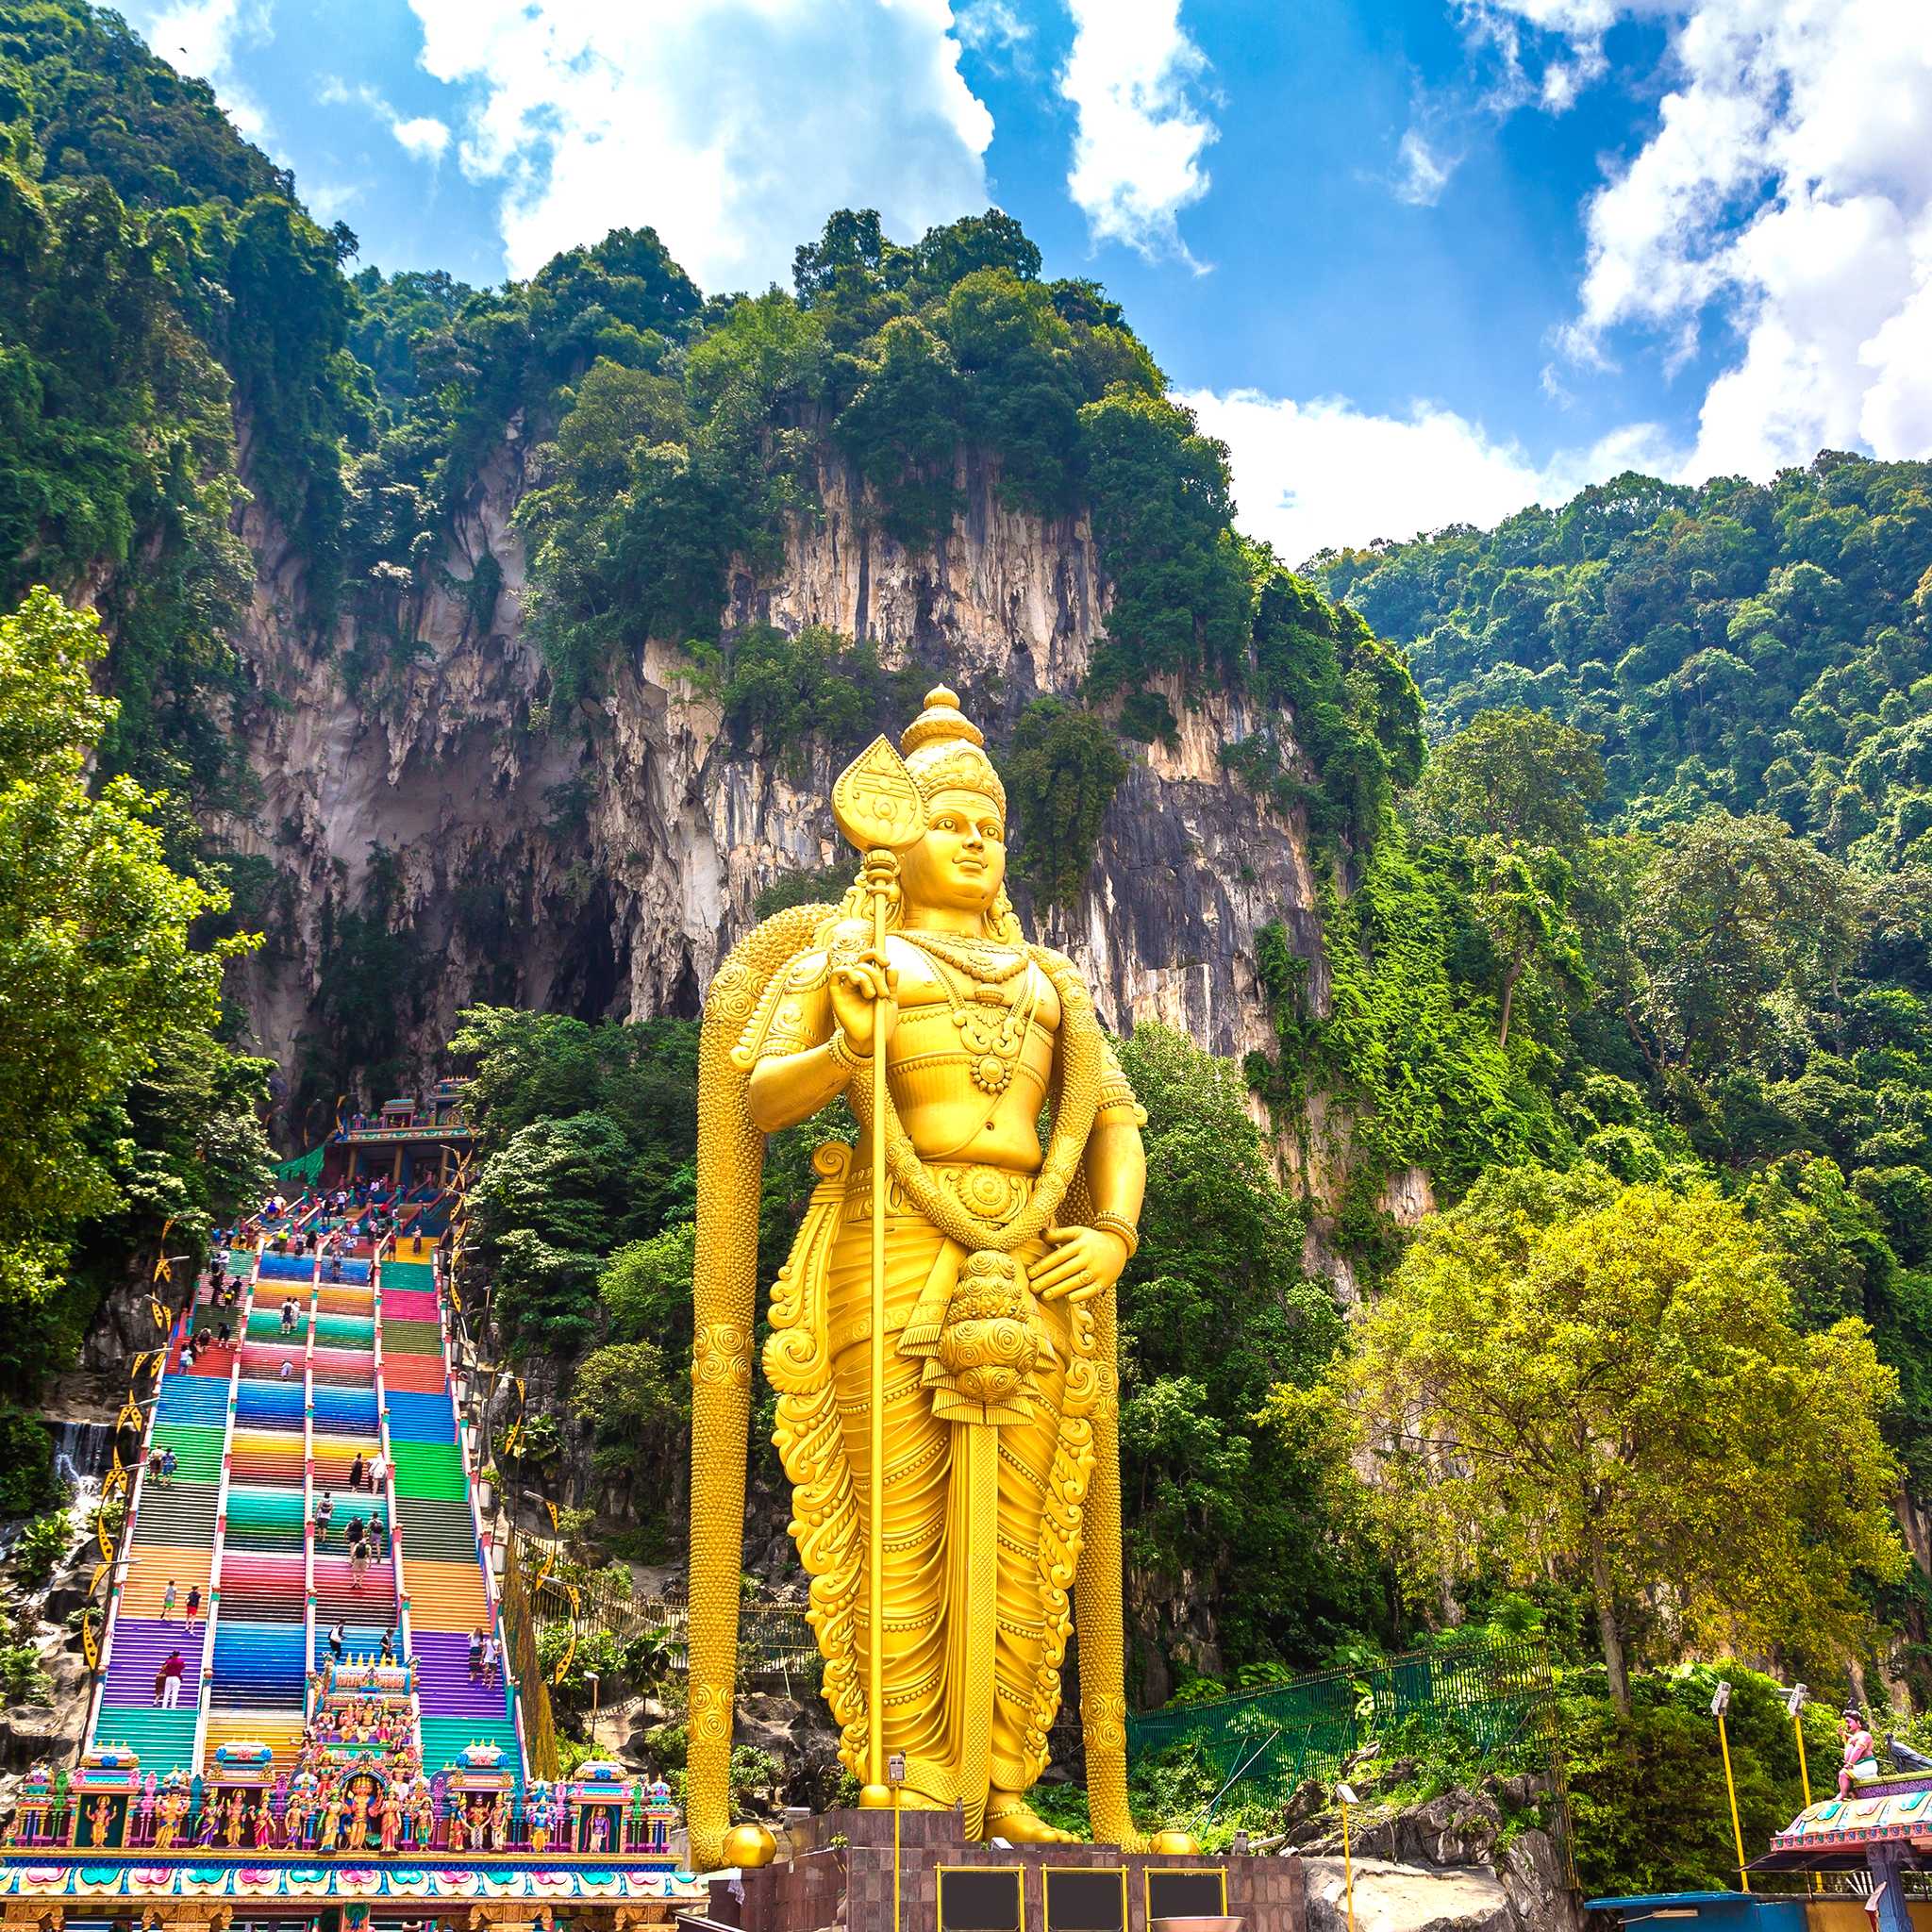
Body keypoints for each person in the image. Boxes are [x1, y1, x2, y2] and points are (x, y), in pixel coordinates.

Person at [1840, 1707, 1879, 1796]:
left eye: (1848, 1722)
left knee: (1843, 1774)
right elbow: (1851, 1740)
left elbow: (1858, 1749)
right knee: (1845, 1777)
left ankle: (1842, 1795)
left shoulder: (1865, 1735)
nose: (1847, 1725)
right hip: (1858, 1766)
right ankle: (1848, 1793)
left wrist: (1850, 1764)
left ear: (1858, 1723)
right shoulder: (1855, 1736)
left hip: (1865, 1766)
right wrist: (1843, 1735)